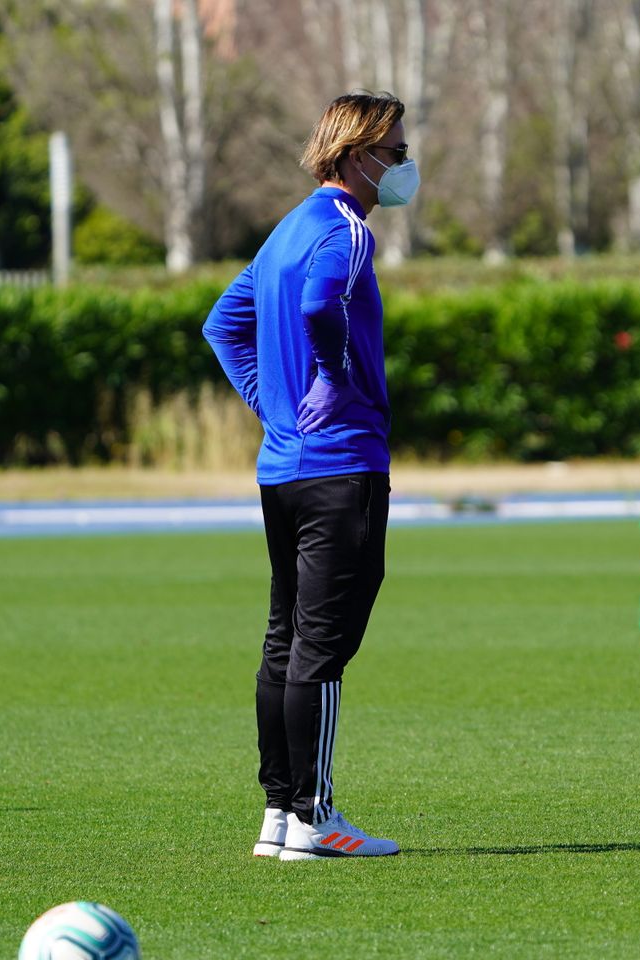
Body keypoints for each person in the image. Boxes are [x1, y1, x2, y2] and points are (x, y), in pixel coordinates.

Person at [202, 92, 420, 859]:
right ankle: (313, 817)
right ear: (357, 155)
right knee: (321, 646)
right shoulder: (345, 232)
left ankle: (277, 814)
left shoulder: (285, 230)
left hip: (284, 470)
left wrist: (273, 405)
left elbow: (223, 323)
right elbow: (321, 304)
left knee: (286, 642)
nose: (403, 166)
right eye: (394, 153)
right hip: (343, 466)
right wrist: (330, 376)